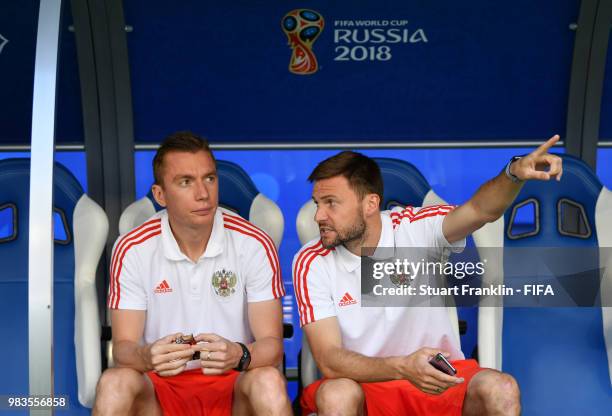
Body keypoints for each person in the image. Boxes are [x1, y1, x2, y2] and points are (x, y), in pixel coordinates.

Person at [293, 135, 564, 415]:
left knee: (501, 389)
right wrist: (401, 367)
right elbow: (329, 360)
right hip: (365, 383)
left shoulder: (415, 227)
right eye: (317, 203)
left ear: (370, 204)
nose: (319, 216)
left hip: (438, 377)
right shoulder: (310, 260)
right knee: (336, 394)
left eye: (331, 203)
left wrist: (513, 174)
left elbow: (480, 210)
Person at [93, 132, 292, 416]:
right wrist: (146, 356)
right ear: (160, 195)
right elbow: (123, 348)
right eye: (186, 182)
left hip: (234, 385)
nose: (203, 193)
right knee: (114, 382)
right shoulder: (132, 248)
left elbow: (272, 347)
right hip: (160, 389)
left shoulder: (255, 243)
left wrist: (239, 354)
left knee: (269, 381)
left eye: (209, 179)